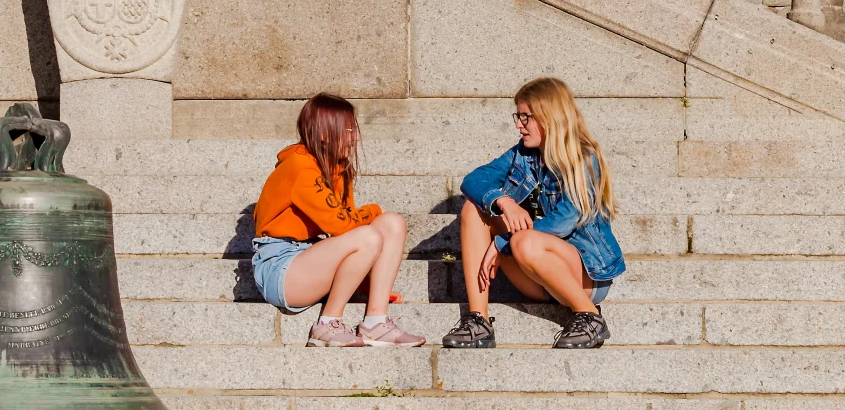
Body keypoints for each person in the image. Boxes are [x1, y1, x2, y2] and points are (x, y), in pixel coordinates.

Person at [441, 76, 625, 349]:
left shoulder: (585, 159)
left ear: (549, 117)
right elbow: (473, 180)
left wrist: (500, 243)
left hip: (583, 276)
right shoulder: (522, 156)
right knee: (473, 210)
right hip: (536, 276)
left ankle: (589, 316)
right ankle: (479, 320)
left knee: (523, 241)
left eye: (525, 117)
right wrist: (505, 202)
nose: (518, 124)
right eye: (518, 116)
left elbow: (564, 220)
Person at [250, 93, 424, 347]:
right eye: (349, 129)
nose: (355, 137)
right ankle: (326, 324)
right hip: (280, 267)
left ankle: (376, 321)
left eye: (354, 129)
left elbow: (344, 233)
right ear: (324, 133)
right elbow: (343, 225)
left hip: (311, 256)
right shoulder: (299, 167)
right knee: (369, 232)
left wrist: (369, 283)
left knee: (392, 223)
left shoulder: (339, 170)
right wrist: (373, 210)